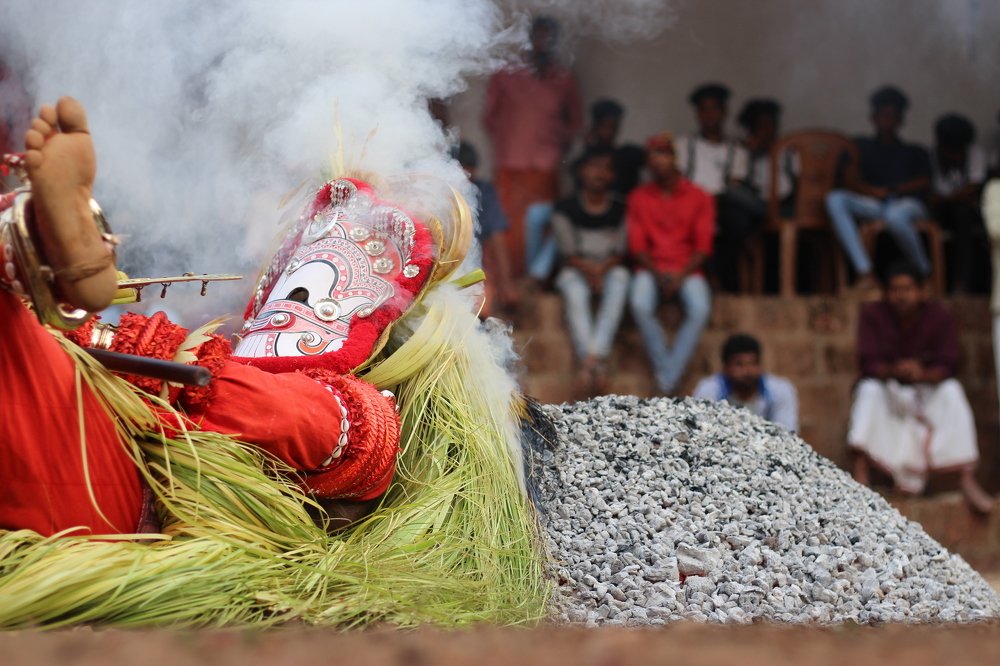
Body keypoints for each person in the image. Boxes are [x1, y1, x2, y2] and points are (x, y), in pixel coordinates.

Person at [0, 98, 544, 625]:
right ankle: (42, 260)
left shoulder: (361, 418)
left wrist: (140, 354)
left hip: (112, 493)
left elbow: (280, 415)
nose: (301, 296)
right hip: (92, 429)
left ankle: (46, 262)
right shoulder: (248, 368)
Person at [848, 260, 994, 513]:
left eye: (907, 289)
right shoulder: (873, 315)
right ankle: (861, 476)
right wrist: (896, 370)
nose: (901, 296)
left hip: (927, 389)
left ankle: (966, 480)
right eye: (895, 289)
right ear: (886, 292)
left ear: (921, 291)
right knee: (867, 391)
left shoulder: (939, 316)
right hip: (889, 389)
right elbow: (867, 362)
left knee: (952, 392)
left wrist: (922, 373)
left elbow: (949, 363)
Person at [483, 15, 582, 277]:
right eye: (538, 35)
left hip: (545, 166)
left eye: (548, 36)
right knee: (508, 226)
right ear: (528, 39)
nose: (542, 42)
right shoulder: (506, 74)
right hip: (511, 164)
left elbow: (575, 120)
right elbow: (490, 117)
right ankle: (508, 283)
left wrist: (555, 141)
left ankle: (534, 283)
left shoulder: (563, 78)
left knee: (543, 225)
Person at [627, 132, 714, 394]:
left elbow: (702, 247)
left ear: (675, 158)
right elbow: (637, 246)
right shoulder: (639, 197)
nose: (658, 161)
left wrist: (679, 275)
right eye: (653, 155)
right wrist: (659, 274)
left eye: (664, 153)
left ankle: (666, 378)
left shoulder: (699, 196)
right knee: (639, 304)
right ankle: (669, 375)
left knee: (700, 308)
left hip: (688, 269)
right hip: (650, 268)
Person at [825, 86, 933, 293]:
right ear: (873, 117)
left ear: (901, 120)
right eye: (883, 115)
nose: (887, 121)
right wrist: (870, 191)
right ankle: (865, 273)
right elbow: (848, 180)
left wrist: (894, 189)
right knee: (835, 199)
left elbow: (925, 182)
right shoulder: (860, 146)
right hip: (874, 203)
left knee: (895, 217)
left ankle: (923, 274)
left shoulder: (915, 151)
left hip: (907, 204)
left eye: (892, 116)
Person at [551, 145, 630, 394]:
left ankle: (590, 360)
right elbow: (567, 253)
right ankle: (596, 359)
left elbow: (621, 252)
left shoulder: (621, 208)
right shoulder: (565, 208)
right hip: (577, 268)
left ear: (613, 176)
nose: (599, 173)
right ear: (581, 172)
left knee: (621, 278)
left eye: (606, 168)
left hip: (609, 268)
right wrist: (591, 270)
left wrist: (601, 269)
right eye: (593, 166)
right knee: (573, 288)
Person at [673, 83, 751, 292]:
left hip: (721, 206)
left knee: (738, 221)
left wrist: (711, 201)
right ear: (697, 114)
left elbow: (735, 185)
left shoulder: (737, 150)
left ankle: (718, 278)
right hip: (689, 204)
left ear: (724, 112)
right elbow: (676, 181)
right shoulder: (683, 145)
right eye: (703, 109)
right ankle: (712, 279)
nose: (709, 115)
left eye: (714, 108)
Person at [455, 141, 518, 317]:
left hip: (474, 267)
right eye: (460, 170)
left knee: (481, 307)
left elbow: (497, 237)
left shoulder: (483, 192)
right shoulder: (435, 193)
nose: (465, 176)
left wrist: (506, 282)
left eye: (469, 171)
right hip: (441, 270)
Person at [929, 113, 988, 293]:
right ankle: (930, 283)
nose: (955, 155)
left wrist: (947, 198)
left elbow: (972, 188)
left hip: (965, 214)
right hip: (938, 212)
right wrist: (952, 197)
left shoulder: (975, 154)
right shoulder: (930, 157)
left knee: (964, 215)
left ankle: (961, 284)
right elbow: (931, 197)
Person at [693, 333, 798, 432]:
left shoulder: (780, 390)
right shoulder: (709, 390)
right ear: (726, 367)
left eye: (753, 363)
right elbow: (703, 428)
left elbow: (787, 431)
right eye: (739, 364)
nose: (748, 371)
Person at [581, 98, 646, 196]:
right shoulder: (583, 161)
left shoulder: (628, 154)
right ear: (595, 126)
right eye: (605, 125)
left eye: (613, 126)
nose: (609, 131)